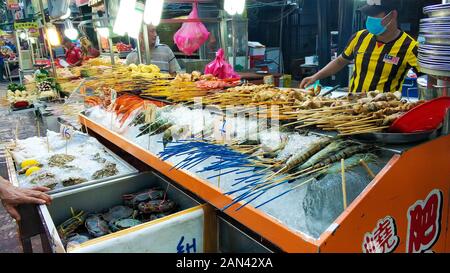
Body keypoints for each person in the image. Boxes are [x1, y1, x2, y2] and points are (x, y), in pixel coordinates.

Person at [300, 0, 419, 93]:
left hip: (383, 111)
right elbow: (340, 61)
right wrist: (315, 77)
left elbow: (430, 77)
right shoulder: (359, 37)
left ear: (393, 15)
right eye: (368, 15)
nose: (370, 19)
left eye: (375, 15)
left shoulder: (410, 47)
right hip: (354, 107)